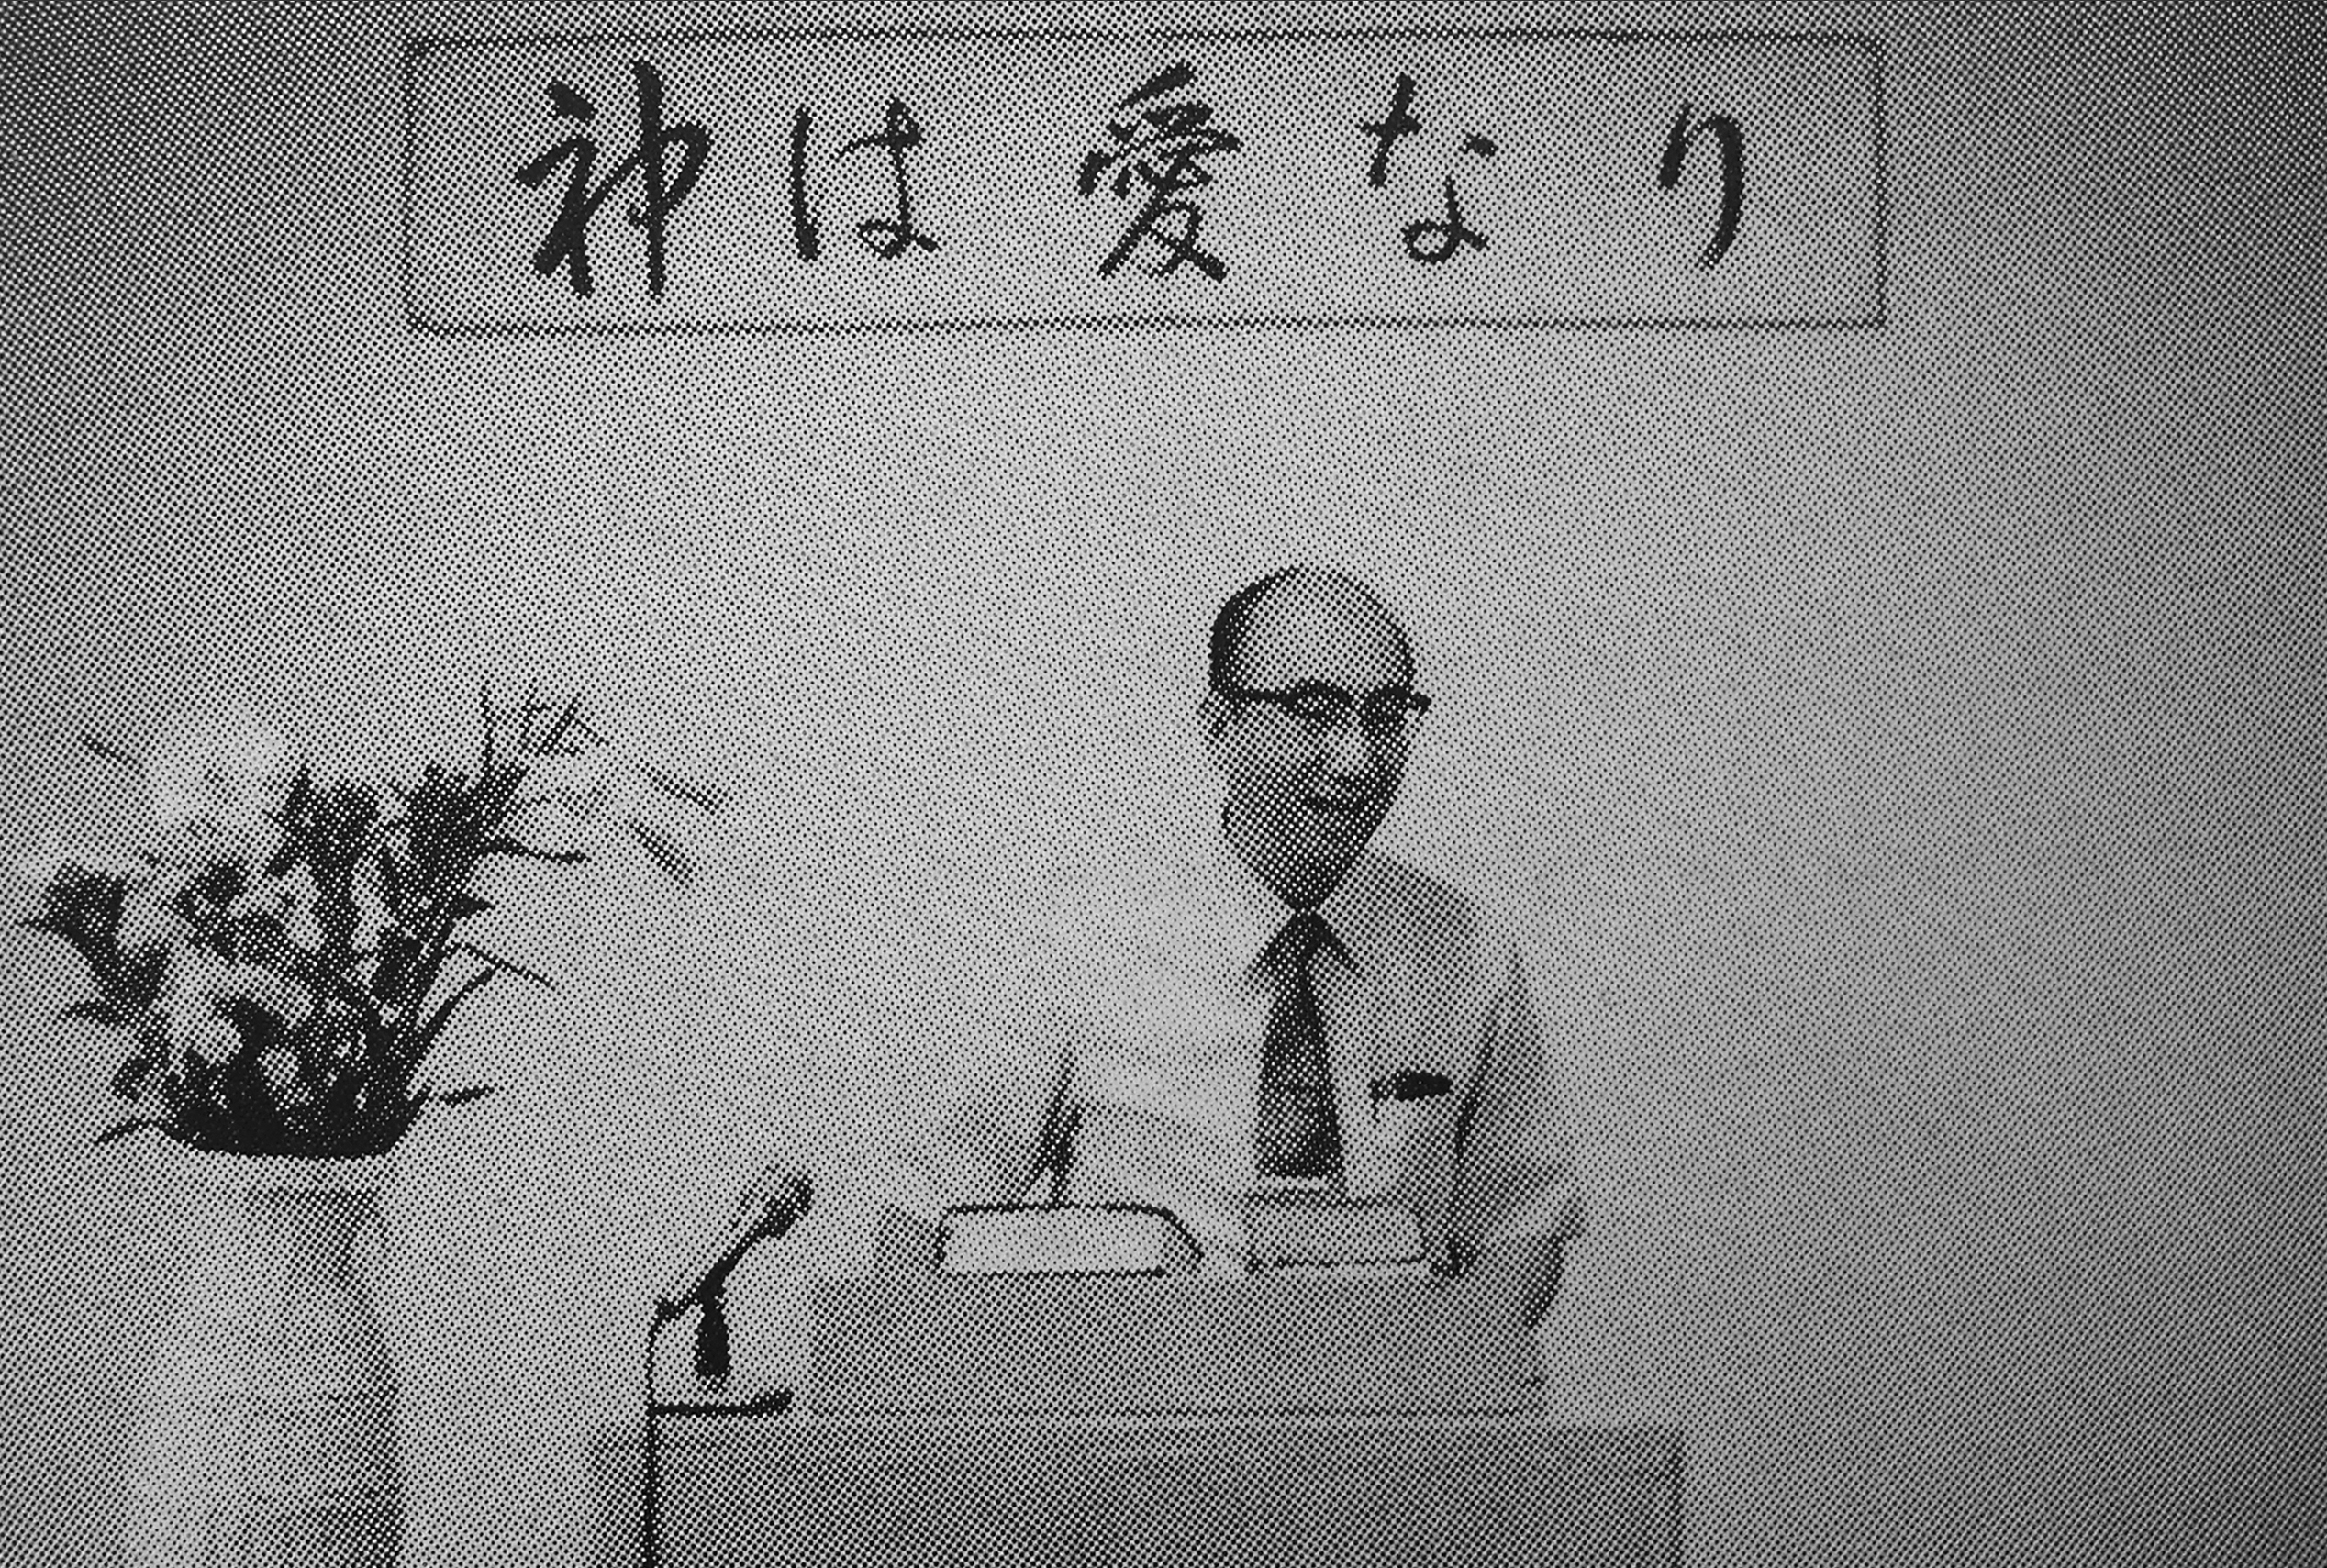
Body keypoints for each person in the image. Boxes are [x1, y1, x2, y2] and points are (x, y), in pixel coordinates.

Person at [875, 567, 1581, 1331]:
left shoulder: (1469, 952)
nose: (1357, 759)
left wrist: (1444, 1365)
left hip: (1390, 1387)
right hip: (1140, 1391)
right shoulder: (1087, 943)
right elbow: (926, 1221)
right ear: (1220, 728)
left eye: (1385, 715)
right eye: (1315, 712)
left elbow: (1521, 1234)